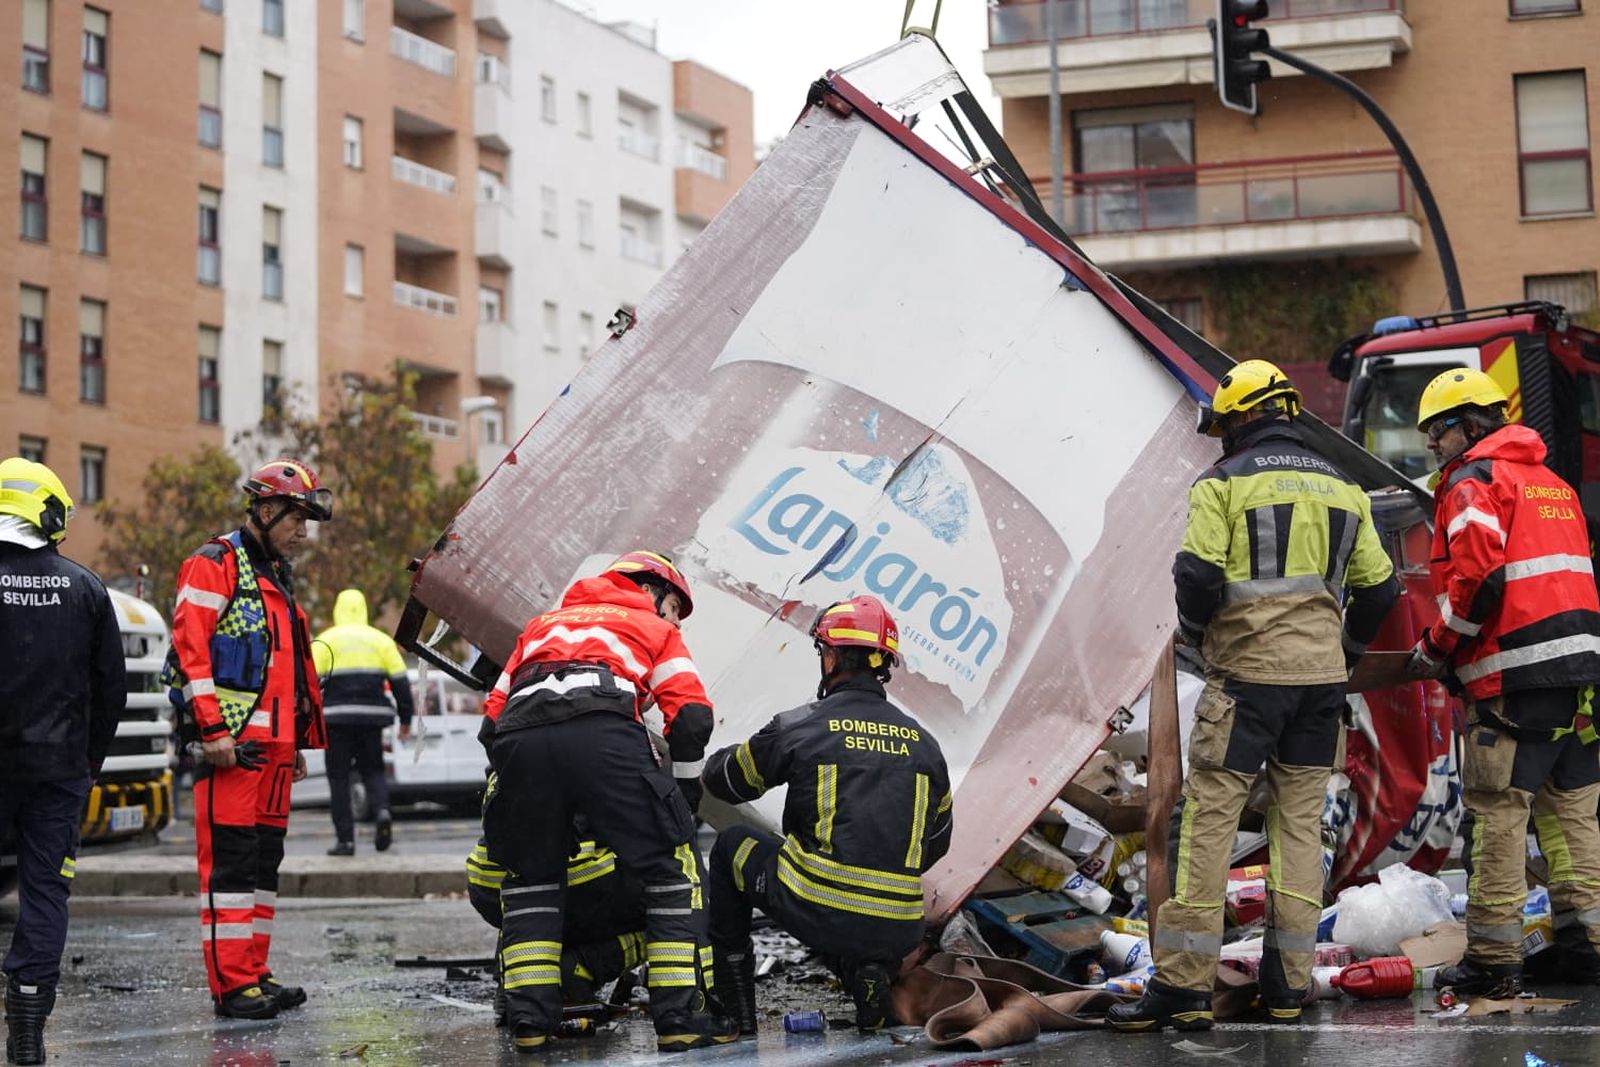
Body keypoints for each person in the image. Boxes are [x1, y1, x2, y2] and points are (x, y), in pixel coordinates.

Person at [1110, 360, 1399, 1033]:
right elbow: (1382, 591)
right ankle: (1288, 987)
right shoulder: (1346, 486)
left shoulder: (1223, 483)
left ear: (1242, 417)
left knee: (1209, 821)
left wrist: (1194, 634)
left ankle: (1183, 985)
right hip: (1320, 688)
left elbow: (1197, 573)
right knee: (1299, 825)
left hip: (1246, 680)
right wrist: (1345, 653)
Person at [479, 550, 734, 1053]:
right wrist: (681, 789)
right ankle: (681, 1017)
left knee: (532, 879)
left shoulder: (541, 626)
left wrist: (541, 790)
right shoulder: (651, 626)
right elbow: (692, 717)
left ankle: (530, 1023)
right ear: (654, 593)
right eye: (673, 609)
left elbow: (491, 722)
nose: (672, 620)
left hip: (519, 741)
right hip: (606, 732)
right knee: (669, 872)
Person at [1407, 368, 1600, 996]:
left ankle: (1495, 959)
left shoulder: (1473, 481)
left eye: (1437, 431)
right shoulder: (1553, 484)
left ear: (1468, 424)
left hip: (1515, 677)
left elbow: (1479, 577)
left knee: (1499, 814)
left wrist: (1437, 645)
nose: (1432, 445)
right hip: (1581, 677)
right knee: (1571, 814)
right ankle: (1588, 945)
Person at [702, 595, 954, 1036]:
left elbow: (727, 782)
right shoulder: (926, 745)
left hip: (820, 909)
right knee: (852, 897)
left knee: (729, 848)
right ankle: (868, 973)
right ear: (883, 665)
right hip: (899, 928)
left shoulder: (802, 725)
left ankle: (735, 1009)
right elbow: (937, 844)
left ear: (832, 655)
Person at [162, 460, 330, 1020]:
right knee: (231, 870)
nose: (303, 531)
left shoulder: (276, 573)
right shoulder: (216, 564)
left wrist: (299, 741)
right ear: (264, 510)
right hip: (232, 748)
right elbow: (192, 651)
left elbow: (286, 666)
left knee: (262, 868)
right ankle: (232, 985)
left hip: (275, 751)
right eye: (296, 518)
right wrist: (211, 730)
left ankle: (255, 972)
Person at [0, 459, 125, 1066]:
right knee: (45, 897)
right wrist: (88, 762)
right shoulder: (86, 588)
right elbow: (111, 691)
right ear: (46, 513)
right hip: (57, 773)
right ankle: (27, 1034)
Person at [464, 815, 647, 1025]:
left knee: (527, 911)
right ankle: (581, 966)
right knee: (674, 896)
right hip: (575, 874)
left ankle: (516, 984)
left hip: (488, 877)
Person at [313, 588, 415, 856]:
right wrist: (406, 719)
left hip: (335, 721)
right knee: (374, 771)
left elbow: (307, 683)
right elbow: (401, 684)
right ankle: (382, 811)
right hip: (372, 720)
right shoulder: (380, 641)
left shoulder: (326, 640)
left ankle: (345, 840)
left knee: (339, 779)